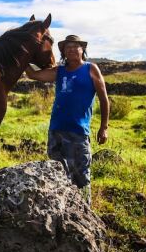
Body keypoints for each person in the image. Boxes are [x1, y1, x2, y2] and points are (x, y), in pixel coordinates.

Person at [25, 34, 109, 205]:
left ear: (82, 49)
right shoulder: (59, 71)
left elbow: (104, 98)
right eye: (67, 47)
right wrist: (23, 54)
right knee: (58, 174)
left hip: (78, 132)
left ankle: (86, 212)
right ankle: (64, 210)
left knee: (81, 176)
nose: (71, 50)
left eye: (75, 46)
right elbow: (34, 75)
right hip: (56, 131)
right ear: (63, 51)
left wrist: (104, 127)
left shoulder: (91, 69)